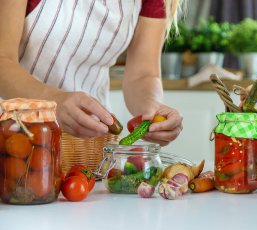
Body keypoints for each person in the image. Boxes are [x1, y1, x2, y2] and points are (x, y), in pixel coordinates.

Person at [0, 0, 184, 147]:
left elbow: (143, 74)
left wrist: (151, 109)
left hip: (89, 147)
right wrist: (53, 102)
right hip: (12, 138)